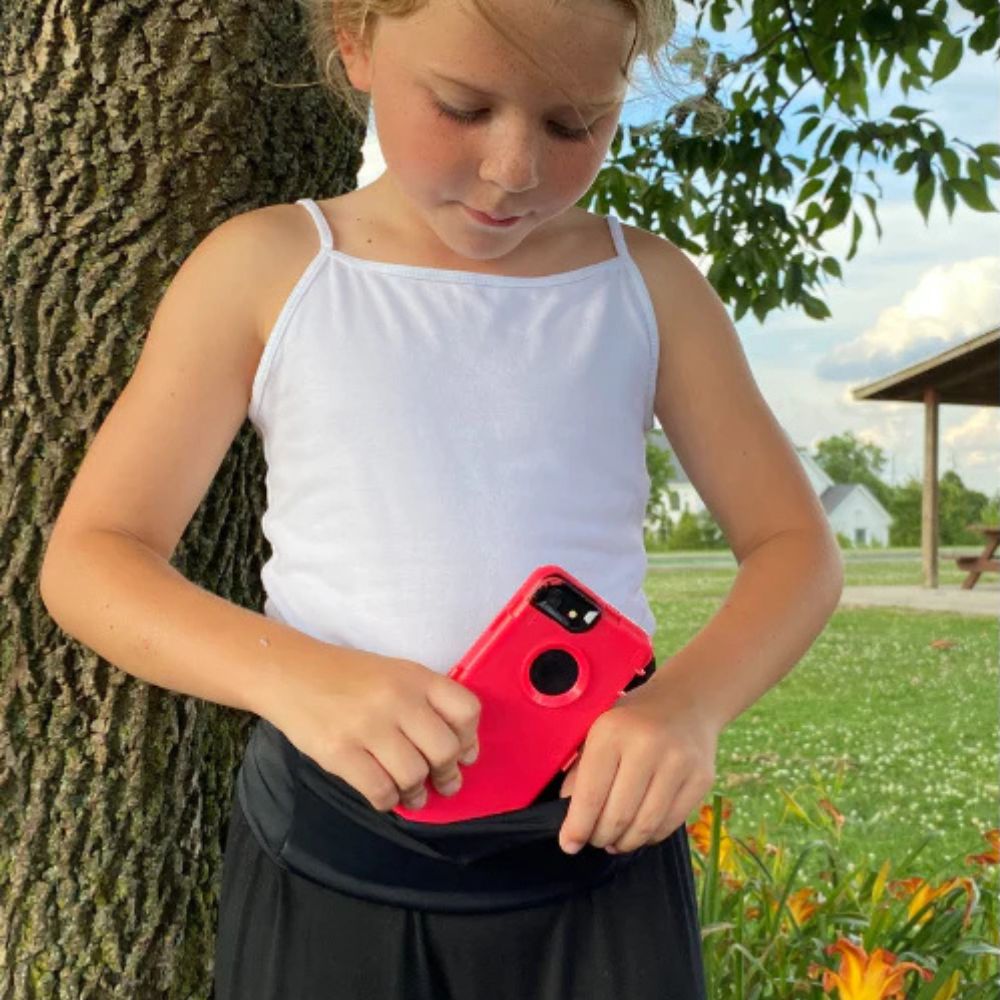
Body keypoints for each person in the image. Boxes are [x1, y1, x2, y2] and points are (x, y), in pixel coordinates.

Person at [38, 0, 845, 997]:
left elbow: (793, 545)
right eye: (462, 107)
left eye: (573, 123)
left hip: (595, 848)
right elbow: (94, 555)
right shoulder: (268, 269)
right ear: (355, 41)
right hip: (333, 858)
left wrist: (689, 706)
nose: (515, 168)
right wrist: (297, 678)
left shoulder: (649, 287)